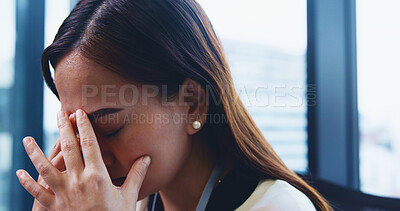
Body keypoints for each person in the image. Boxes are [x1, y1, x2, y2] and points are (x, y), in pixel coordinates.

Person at [15, 0, 333, 210]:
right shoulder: (132, 200)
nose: (91, 159)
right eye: (76, 130)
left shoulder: (279, 207)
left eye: (108, 125)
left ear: (192, 104)